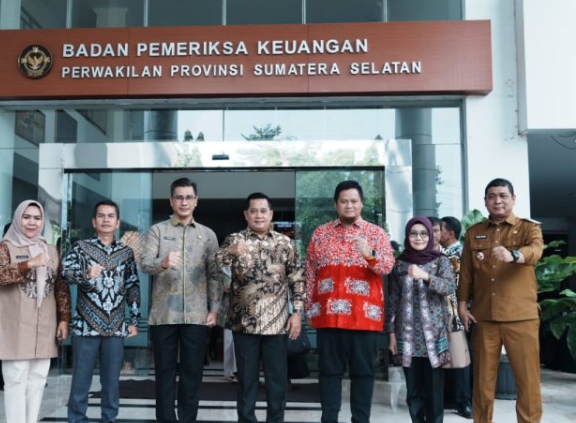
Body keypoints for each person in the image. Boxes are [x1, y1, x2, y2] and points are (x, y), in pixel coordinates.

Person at [305, 180, 395, 423]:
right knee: (329, 372)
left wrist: (369, 254)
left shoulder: (376, 233)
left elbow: (387, 267)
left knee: (363, 373)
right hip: (328, 318)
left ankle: (361, 420)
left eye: (354, 201)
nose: (349, 205)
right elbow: (310, 272)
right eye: (344, 201)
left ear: (361, 203)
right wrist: (308, 308)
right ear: (336, 204)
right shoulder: (321, 233)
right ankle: (329, 419)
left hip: (363, 318)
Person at [458, 178, 543, 423]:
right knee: (482, 382)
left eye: (503, 195)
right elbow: (466, 273)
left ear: (513, 199)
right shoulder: (474, 232)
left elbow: (535, 250)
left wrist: (514, 255)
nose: (497, 200)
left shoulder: (528, 228)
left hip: (521, 317)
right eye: (492, 196)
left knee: (527, 381)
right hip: (485, 316)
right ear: (485, 201)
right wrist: (462, 305)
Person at [214, 192, 305, 423]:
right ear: (246, 214)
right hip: (244, 324)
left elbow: (297, 279)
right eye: (253, 211)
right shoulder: (235, 240)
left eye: (263, 211)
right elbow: (215, 263)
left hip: (277, 324)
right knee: (246, 381)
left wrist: (297, 313)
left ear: (271, 214)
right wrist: (230, 251)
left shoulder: (285, 243)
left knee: (277, 381)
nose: (258, 215)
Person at [140, 177, 222, 423]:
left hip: (196, 316)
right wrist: (162, 263)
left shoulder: (208, 235)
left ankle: (187, 419)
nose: (184, 202)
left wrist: (214, 308)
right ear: (171, 200)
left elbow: (215, 275)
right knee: (164, 372)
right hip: (164, 315)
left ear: (196, 201)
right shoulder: (158, 231)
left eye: (188, 197)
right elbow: (145, 264)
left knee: (192, 372)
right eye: (179, 197)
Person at [62, 200, 141, 423]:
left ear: (117, 223)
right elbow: (65, 274)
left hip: (115, 327)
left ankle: (109, 419)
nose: (106, 219)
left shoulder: (126, 253)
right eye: (101, 216)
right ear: (94, 221)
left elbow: (133, 286)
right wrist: (86, 274)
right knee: (81, 379)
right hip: (85, 326)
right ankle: (77, 419)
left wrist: (134, 319)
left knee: (111, 381)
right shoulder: (80, 247)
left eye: (110, 216)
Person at [0, 200, 71, 423]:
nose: (32, 222)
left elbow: (60, 286)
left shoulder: (50, 250)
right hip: (15, 325)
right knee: (16, 378)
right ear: (18, 219)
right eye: (27, 217)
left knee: (39, 378)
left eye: (37, 218)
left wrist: (64, 318)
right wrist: (29, 264)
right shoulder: (6, 247)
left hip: (45, 323)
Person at [387, 217, 455, 423]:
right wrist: (391, 334)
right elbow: (392, 300)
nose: (418, 238)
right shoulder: (399, 263)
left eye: (423, 233)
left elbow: (449, 287)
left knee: (434, 393)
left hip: (434, 336)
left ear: (431, 236)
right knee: (413, 392)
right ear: (407, 236)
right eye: (413, 233)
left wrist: (426, 276)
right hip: (407, 337)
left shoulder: (441, 260)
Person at [440, 216, 473, 419]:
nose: (437, 234)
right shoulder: (444, 253)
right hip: (444, 313)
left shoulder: (458, 254)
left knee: (460, 358)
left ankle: (463, 401)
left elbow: (461, 286)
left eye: (440, 230)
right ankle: (451, 398)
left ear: (450, 233)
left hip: (455, 313)